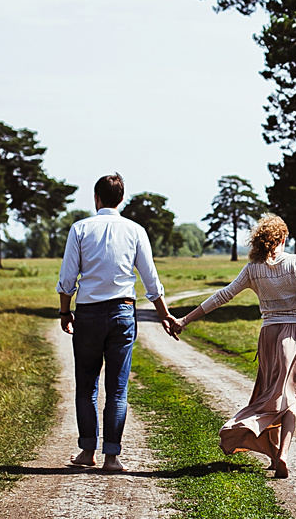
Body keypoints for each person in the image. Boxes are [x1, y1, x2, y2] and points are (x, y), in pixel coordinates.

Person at [168, 213, 296, 478]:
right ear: (283, 238)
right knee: (289, 395)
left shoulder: (253, 268)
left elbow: (223, 295)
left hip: (269, 335)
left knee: (271, 391)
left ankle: (273, 454)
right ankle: (282, 454)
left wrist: (185, 319)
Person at [56, 172, 177, 472]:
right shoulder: (135, 231)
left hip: (87, 314)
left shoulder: (80, 229)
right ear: (121, 199)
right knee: (118, 389)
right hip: (123, 313)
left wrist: (64, 312)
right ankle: (112, 457)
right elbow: (150, 279)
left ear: (96, 198)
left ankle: (87, 451)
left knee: (87, 386)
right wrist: (164, 314)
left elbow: (67, 278)